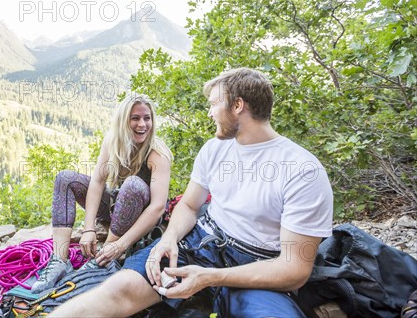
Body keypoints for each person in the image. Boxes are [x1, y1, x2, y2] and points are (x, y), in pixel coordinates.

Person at [48, 68, 334, 317]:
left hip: (259, 266)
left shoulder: (302, 170)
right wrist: (169, 239)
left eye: (213, 105)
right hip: (199, 245)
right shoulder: (214, 149)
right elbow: (188, 206)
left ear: (237, 106)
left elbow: (295, 270)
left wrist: (208, 278)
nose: (210, 112)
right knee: (118, 291)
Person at [31, 94, 172, 293]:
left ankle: (106, 257)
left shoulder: (158, 154)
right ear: (124, 121)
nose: (142, 124)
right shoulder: (113, 143)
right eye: (135, 118)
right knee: (65, 178)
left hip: (143, 215)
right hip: (117, 205)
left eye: (147, 118)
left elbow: (157, 207)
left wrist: (119, 246)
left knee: (132, 184)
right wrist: (88, 229)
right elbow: (97, 182)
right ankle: (60, 259)